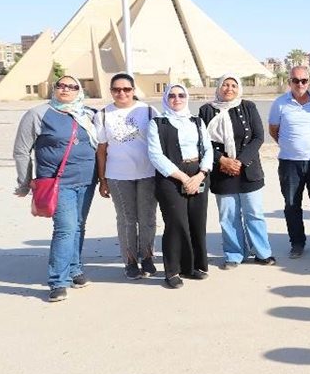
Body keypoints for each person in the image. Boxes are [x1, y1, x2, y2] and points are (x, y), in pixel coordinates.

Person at [12, 75, 98, 302]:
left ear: (79, 91)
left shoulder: (88, 114)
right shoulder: (38, 114)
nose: (65, 89)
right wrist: (24, 181)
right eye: (61, 85)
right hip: (57, 183)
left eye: (72, 86)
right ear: (54, 88)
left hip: (87, 179)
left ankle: (75, 269)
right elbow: (22, 150)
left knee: (78, 226)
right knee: (65, 229)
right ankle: (58, 281)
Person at [199, 75, 274, 269]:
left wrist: (240, 161)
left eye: (233, 85)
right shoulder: (206, 110)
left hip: (248, 170)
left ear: (239, 88)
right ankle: (234, 254)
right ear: (219, 87)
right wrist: (222, 160)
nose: (229, 88)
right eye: (225, 84)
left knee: (254, 213)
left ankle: (262, 253)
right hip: (222, 171)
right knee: (228, 216)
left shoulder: (248, 107)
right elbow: (203, 142)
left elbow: (258, 137)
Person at [147, 84, 213, 288]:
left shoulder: (197, 121)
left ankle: (191, 267)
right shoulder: (157, 123)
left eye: (181, 95)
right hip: (171, 177)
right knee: (176, 223)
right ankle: (173, 271)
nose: (177, 99)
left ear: (187, 97)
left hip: (198, 174)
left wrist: (201, 174)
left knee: (196, 221)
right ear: (166, 98)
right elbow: (155, 155)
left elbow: (208, 149)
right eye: (172, 95)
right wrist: (184, 178)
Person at [94, 72, 158, 279]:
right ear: (111, 91)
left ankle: (147, 257)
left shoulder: (148, 111)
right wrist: (102, 180)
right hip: (118, 176)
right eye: (116, 89)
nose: (121, 93)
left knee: (147, 218)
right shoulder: (103, 115)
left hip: (148, 173)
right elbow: (101, 150)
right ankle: (130, 261)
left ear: (133, 90)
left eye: (126, 89)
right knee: (126, 220)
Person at [269, 66, 310, 258]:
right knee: (292, 204)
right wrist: (289, 145)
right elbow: (273, 130)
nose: (300, 84)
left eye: (304, 80)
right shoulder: (280, 103)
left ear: (309, 82)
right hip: (289, 162)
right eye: (295, 80)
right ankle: (297, 243)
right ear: (290, 82)